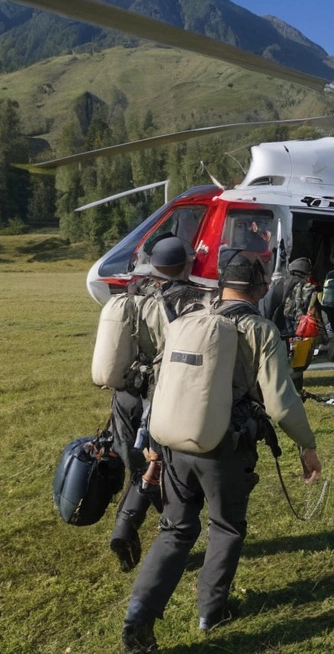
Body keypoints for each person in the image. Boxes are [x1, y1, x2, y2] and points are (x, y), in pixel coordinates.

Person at [121, 252, 322, 653]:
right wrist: (307, 446)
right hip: (225, 449)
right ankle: (210, 614)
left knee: (176, 530)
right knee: (226, 527)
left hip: (175, 441)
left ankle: (138, 617)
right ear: (259, 288)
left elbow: (164, 383)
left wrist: (157, 448)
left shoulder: (189, 320)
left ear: (220, 284)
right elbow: (281, 402)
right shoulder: (260, 330)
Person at [108, 236, 201, 573]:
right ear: (186, 264)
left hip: (127, 394)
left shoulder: (134, 292)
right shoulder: (194, 298)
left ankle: (124, 527)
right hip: (163, 394)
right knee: (166, 470)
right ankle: (164, 537)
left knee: (139, 468)